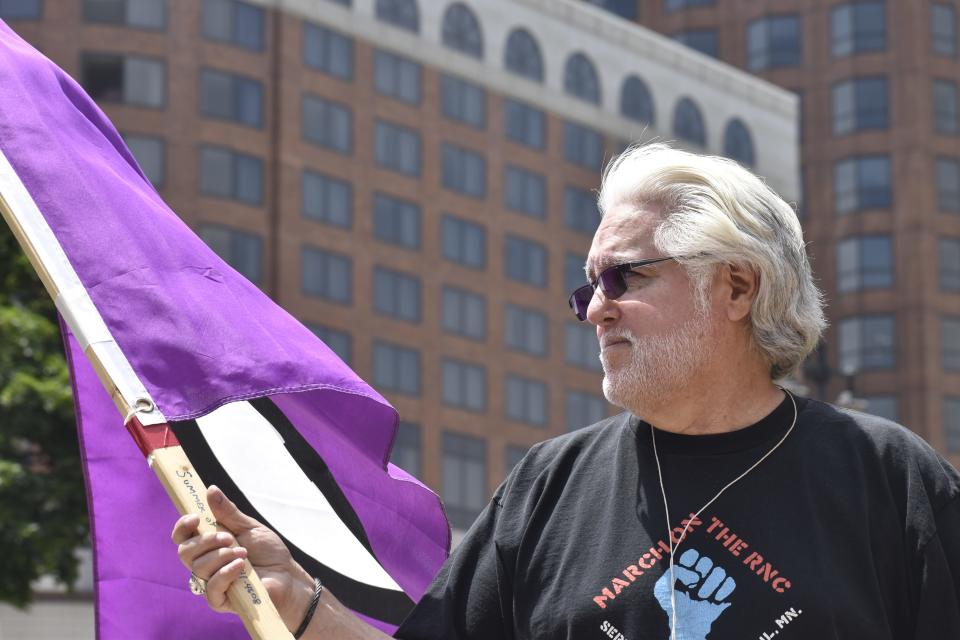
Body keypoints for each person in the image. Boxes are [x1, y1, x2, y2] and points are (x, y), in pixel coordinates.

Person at [172, 143, 960, 639]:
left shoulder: (892, 481)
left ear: (737, 286)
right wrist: (299, 601)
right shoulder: (549, 486)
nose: (596, 309)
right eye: (587, 287)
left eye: (627, 277)